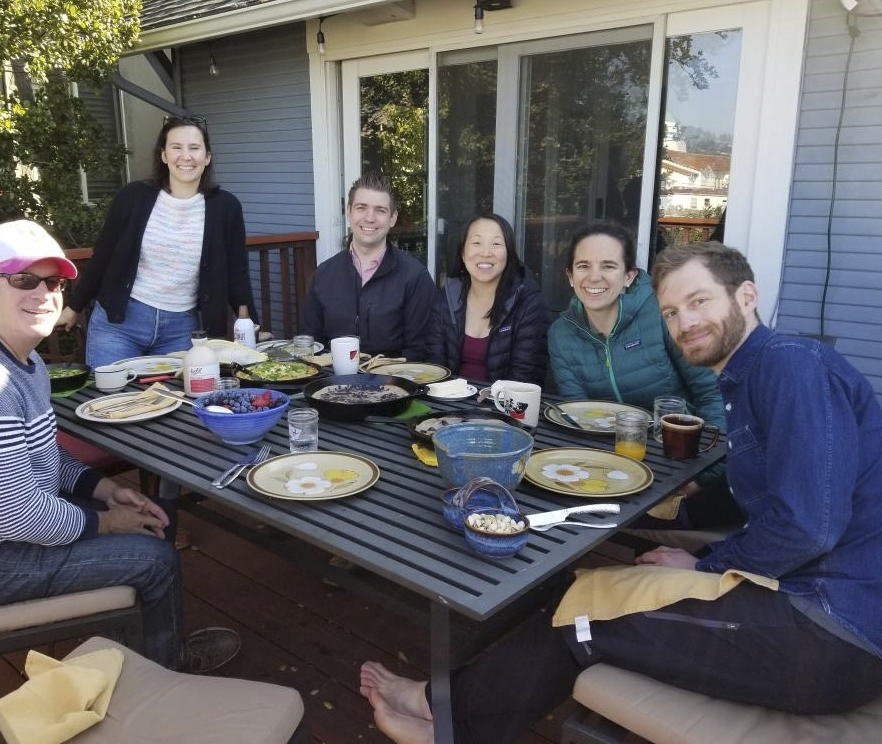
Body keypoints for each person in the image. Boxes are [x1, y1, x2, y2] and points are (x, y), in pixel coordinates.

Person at [358, 241, 882, 743]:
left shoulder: (791, 365)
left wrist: (705, 570)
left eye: (699, 302)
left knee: (583, 614)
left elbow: (808, 526)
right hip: (801, 600)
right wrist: (688, 539)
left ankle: (442, 718)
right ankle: (444, 708)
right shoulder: (750, 377)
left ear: (746, 296)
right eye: (672, 312)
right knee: (583, 585)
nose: (685, 322)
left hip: (830, 629)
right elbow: (775, 504)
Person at [0, 219, 240, 673]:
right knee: (154, 557)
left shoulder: (23, 359)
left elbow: (42, 458)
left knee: (146, 520)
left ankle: (130, 652)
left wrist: (103, 490)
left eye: (53, 281)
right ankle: (163, 670)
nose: (42, 293)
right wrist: (110, 522)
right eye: (23, 279)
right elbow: (22, 516)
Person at [548, 223, 734, 527]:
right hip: (618, 466)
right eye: (583, 266)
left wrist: (703, 475)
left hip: (687, 460)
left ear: (629, 276)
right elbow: (576, 418)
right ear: (570, 276)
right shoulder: (561, 334)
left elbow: (713, 393)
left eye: (608, 265)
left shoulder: (663, 312)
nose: (594, 277)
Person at [57, 115, 258, 367]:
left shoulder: (226, 207)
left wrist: (253, 325)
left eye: (194, 148)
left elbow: (237, 272)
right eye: (176, 147)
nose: (186, 156)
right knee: (112, 403)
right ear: (163, 155)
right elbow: (103, 257)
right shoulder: (132, 198)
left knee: (176, 403)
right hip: (119, 325)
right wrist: (74, 307)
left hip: (182, 330)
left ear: (207, 157)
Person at [300, 172, 436, 359]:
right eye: (361, 208)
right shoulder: (324, 274)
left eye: (380, 210)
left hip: (394, 383)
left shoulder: (415, 277)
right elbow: (312, 343)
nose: (369, 218)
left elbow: (420, 350)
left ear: (393, 218)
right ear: (349, 211)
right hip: (332, 382)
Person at [426, 214, 549, 384]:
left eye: (496, 244)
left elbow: (525, 378)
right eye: (476, 243)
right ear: (462, 253)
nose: (486, 253)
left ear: (509, 254)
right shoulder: (445, 298)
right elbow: (435, 367)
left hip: (503, 407)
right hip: (450, 404)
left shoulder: (529, 303)